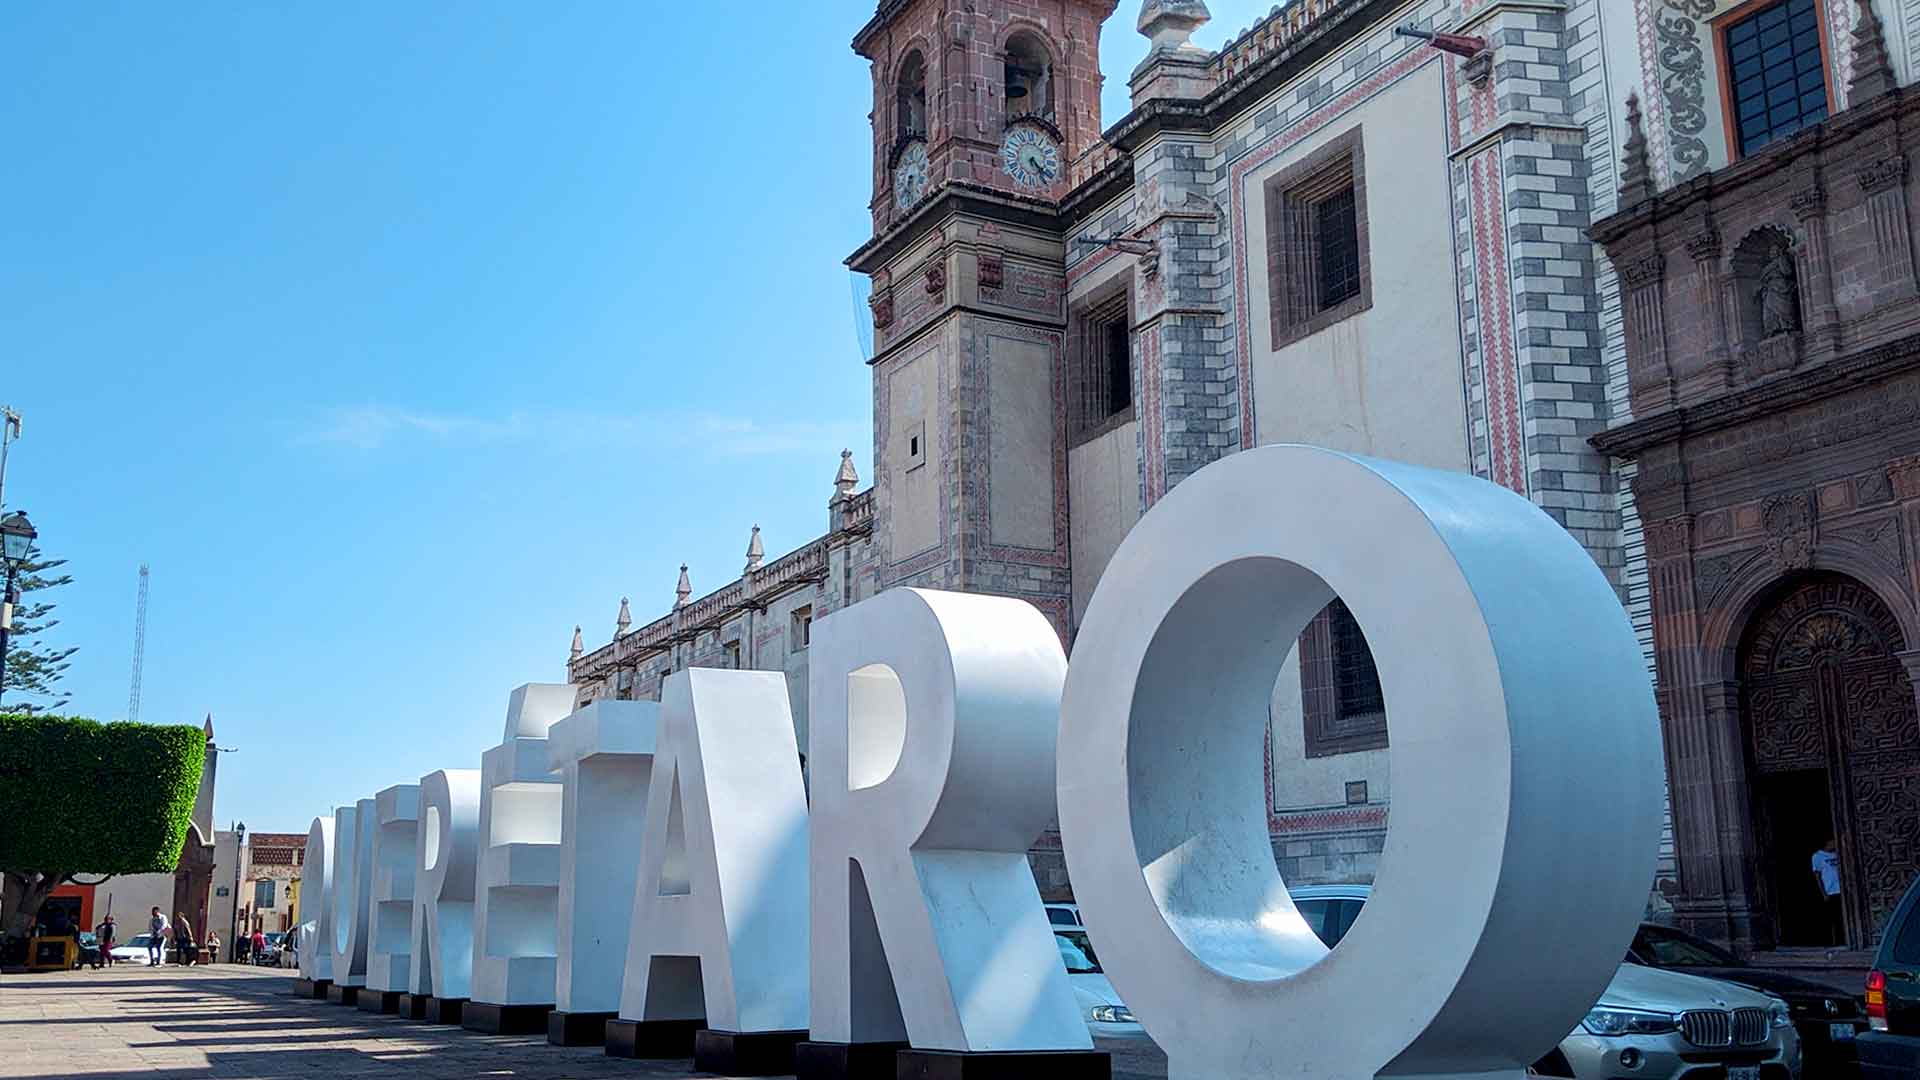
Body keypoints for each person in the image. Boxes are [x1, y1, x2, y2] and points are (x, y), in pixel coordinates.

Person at [1812, 838, 1844, 946]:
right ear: (1827, 842)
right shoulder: (1818, 856)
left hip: (1843, 891)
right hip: (1831, 891)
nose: (1835, 844)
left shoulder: (1839, 854)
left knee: (1844, 917)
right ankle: (1835, 942)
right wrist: (1824, 893)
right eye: (1833, 841)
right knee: (1834, 919)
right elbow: (1818, 877)